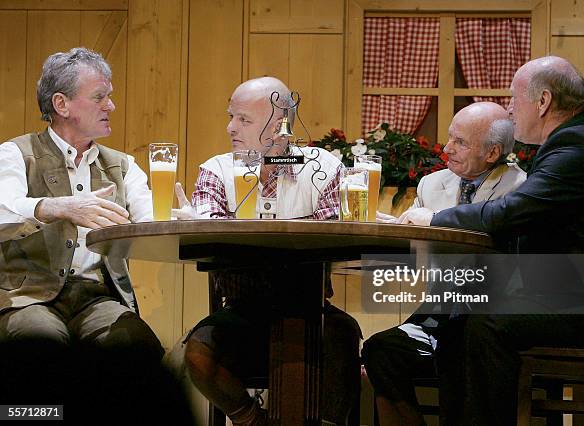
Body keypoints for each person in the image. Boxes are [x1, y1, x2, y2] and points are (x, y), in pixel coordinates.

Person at [404, 56, 584, 425]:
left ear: (543, 101)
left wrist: (434, 217)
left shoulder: (577, 147)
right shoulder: (578, 140)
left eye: (514, 98)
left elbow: (509, 213)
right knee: (462, 315)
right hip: (575, 293)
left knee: (480, 320)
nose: (510, 108)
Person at [172, 77, 361, 426]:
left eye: (243, 119)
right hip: (243, 311)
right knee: (197, 353)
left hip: (312, 308)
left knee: (344, 335)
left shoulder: (325, 168)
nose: (230, 128)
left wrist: (231, 231)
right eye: (231, 117)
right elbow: (210, 238)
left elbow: (334, 240)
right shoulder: (217, 170)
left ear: (279, 125)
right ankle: (255, 422)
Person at [363, 102, 526, 426]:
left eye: (460, 143)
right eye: (449, 138)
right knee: (380, 349)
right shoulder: (432, 184)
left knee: (458, 342)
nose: (446, 149)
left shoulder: (516, 189)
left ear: (492, 153)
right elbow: (419, 260)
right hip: (432, 312)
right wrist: (394, 232)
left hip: (480, 316)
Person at [0, 48, 163, 362]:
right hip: (28, 298)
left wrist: (177, 219)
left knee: (137, 349)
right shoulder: (16, 154)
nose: (111, 106)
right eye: (99, 97)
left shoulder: (122, 165)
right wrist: (57, 207)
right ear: (61, 104)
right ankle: (41, 415)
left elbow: (150, 224)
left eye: (109, 96)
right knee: (41, 347)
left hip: (98, 298)